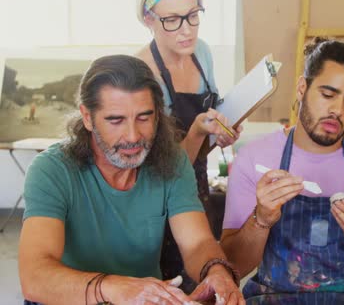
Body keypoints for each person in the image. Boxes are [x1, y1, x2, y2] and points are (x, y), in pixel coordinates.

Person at [18, 55, 244, 305]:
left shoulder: (173, 161)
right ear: (87, 117)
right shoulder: (52, 170)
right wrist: (116, 288)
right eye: (116, 120)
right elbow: (35, 277)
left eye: (144, 118)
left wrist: (215, 271)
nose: (133, 136)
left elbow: (197, 243)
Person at [220, 37, 344, 299]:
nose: (337, 110)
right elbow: (233, 267)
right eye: (327, 94)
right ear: (302, 87)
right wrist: (261, 220)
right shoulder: (254, 158)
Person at [135, 0, 241, 292]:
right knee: (170, 281)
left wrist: (225, 127)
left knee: (201, 269)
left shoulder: (202, 53)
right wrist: (198, 132)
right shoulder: (142, 74)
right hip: (158, 193)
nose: (187, 29)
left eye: (193, 15)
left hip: (196, 182)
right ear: (148, 20)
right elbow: (162, 170)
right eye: (172, 20)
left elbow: (214, 106)